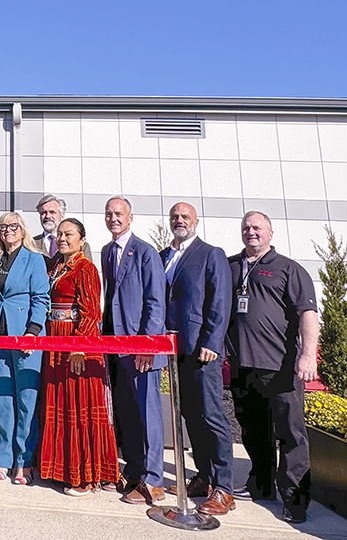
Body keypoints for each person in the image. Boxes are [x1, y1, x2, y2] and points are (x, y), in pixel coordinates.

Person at [228, 211, 318, 524]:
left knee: (291, 434)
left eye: (257, 228)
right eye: (246, 228)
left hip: (280, 367)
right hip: (242, 365)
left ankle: (294, 497)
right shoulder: (231, 265)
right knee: (253, 430)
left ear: (270, 233)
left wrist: (308, 355)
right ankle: (261, 485)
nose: (251, 232)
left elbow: (307, 313)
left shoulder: (288, 269)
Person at [160, 203, 235, 514]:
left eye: (185, 217)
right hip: (174, 349)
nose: (179, 221)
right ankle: (204, 476)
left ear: (196, 222)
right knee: (190, 414)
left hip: (203, 349)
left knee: (212, 415)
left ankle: (224, 488)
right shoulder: (165, 255)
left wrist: (212, 341)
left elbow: (220, 299)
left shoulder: (211, 253)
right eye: (175, 217)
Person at [40, 218, 119, 495]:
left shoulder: (86, 267)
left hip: (75, 341)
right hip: (54, 338)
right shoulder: (55, 265)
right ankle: (58, 468)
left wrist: (79, 346)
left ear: (81, 239)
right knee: (58, 404)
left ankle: (84, 475)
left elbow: (91, 312)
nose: (63, 238)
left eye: (69, 234)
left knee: (77, 406)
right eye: (60, 234)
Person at [101, 196, 166, 505]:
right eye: (109, 214)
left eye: (118, 214)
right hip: (116, 347)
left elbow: (155, 302)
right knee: (128, 414)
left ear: (129, 218)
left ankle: (154, 481)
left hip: (141, 349)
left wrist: (148, 345)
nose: (113, 218)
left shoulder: (145, 252)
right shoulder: (106, 251)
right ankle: (136, 470)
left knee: (148, 416)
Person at [0, 212, 50, 485]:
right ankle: (4, 460)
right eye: (3, 227)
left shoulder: (34, 260)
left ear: (22, 231)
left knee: (26, 401)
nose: (8, 230)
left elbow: (41, 297)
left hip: (26, 337)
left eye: (14, 226)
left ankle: (24, 461)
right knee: (3, 402)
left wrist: (33, 331)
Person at [33, 195, 92, 261]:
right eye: (43, 213)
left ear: (62, 215)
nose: (47, 216)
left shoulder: (80, 245)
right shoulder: (30, 244)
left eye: (52, 212)